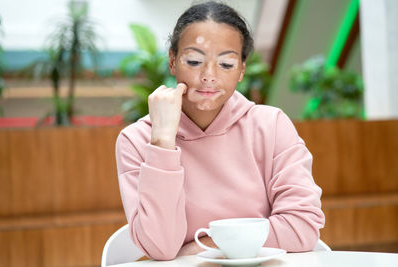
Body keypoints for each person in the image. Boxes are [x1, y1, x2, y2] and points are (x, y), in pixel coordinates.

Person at [115, 1, 325, 261]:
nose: (209, 76)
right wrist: (162, 143)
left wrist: (202, 246)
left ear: (241, 70)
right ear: (172, 61)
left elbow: (302, 228)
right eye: (194, 61)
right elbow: (161, 248)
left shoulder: (271, 126)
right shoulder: (136, 140)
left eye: (226, 64)